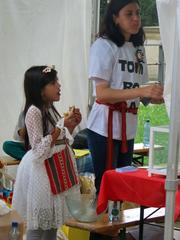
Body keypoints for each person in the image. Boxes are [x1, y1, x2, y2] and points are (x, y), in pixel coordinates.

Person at [12, 65, 81, 240]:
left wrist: (70, 125)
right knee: (39, 226)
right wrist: (60, 126)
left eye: (57, 81)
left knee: (52, 225)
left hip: (54, 170)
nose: (59, 85)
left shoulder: (49, 109)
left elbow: (60, 141)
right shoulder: (33, 111)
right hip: (42, 173)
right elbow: (38, 150)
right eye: (53, 82)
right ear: (40, 89)